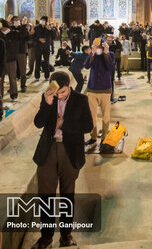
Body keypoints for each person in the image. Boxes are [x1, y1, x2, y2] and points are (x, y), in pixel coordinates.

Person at [31, 71, 93, 249]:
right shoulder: (49, 97)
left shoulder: (80, 100)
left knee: (67, 195)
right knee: (46, 196)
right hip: (48, 151)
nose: (60, 95)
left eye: (63, 92)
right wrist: (48, 104)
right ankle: (46, 237)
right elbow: (38, 123)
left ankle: (66, 235)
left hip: (70, 151)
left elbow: (88, 125)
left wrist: (64, 124)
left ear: (69, 86)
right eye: (56, 92)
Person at [84, 39, 115, 144]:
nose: (98, 49)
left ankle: (104, 136)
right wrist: (92, 53)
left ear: (103, 46)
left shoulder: (110, 54)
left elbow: (110, 67)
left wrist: (106, 52)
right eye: (95, 46)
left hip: (105, 89)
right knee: (92, 115)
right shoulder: (93, 55)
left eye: (99, 47)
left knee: (105, 114)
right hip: (92, 89)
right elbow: (86, 66)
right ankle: (93, 136)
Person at [0, 18, 19, 101]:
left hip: (10, 59)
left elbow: (22, 35)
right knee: (1, 78)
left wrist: (24, 25)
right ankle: (1, 95)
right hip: (1, 60)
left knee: (12, 78)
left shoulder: (12, 33)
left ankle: (14, 94)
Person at [34, 16, 54, 81]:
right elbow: (33, 37)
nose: (42, 21)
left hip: (46, 47)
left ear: (46, 21)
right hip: (38, 47)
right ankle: (37, 76)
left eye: (44, 20)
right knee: (38, 62)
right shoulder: (36, 28)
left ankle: (47, 76)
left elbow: (54, 36)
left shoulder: (48, 28)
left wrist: (50, 30)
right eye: (41, 19)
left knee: (46, 62)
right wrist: (39, 39)